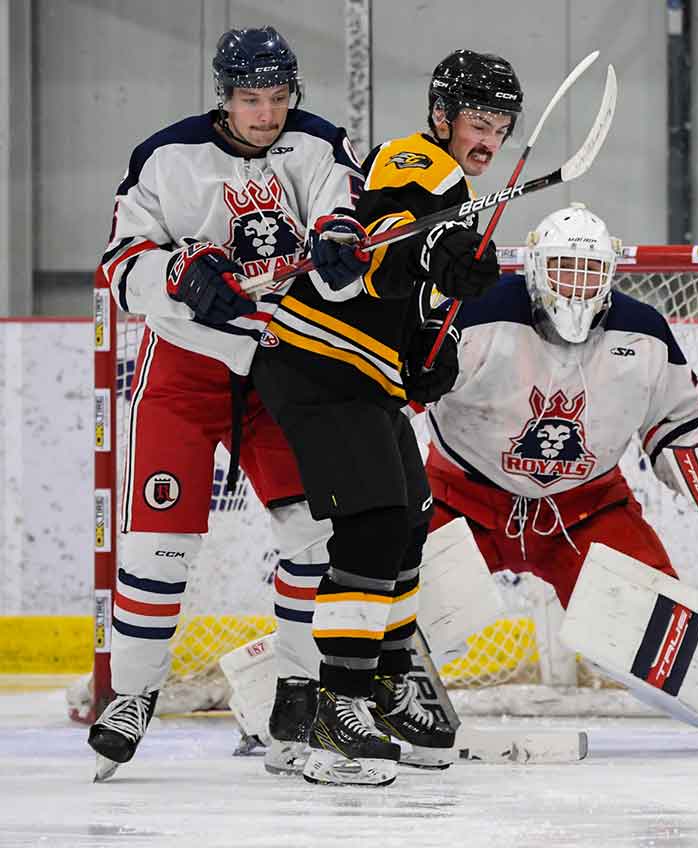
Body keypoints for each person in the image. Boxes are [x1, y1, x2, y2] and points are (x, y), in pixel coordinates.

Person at [87, 26, 368, 781]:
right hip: (185, 372)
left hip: (281, 370)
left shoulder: (319, 146)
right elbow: (121, 265)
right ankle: (131, 695)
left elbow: (344, 224)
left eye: (278, 97)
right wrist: (177, 274)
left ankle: (297, 696)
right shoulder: (166, 156)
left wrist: (340, 250)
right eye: (251, 99)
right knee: (158, 546)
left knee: (314, 534)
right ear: (224, 96)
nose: (266, 113)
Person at [249, 49, 524, 786]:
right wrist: (442, 249)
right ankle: (337, 705)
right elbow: (394, 224)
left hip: (362, 375)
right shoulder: (416, 158)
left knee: (408, 521)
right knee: (371, 524)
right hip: (314, 360)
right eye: (479, 121)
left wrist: (431, 350)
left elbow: (411, 292)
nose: (490, 138)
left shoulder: (457, 188)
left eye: (502, 126)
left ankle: (385, 682)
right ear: (441, 116)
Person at [425, 202, 698, 608]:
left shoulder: (643, 332)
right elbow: (395, 398)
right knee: (394, 606)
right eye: (563, 267)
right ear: (535, 267)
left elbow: (679, 423)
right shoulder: (475, 312)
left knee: (657, 628)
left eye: (590, 270)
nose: (576, 284)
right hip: (458, 500)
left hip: (586, 511)